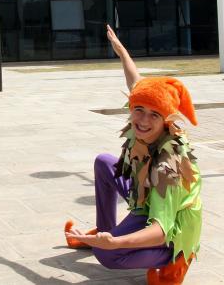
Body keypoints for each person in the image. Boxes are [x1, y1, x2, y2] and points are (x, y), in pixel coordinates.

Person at [64, 25, 202, 285]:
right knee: (104, 163)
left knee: (107, 254)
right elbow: (136, 83)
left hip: (171, 228)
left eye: (154, 115)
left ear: (166, 120)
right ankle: (104, 233)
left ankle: (170, 260)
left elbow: (161, 230)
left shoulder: (168, 167)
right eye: (138, 110)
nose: (143, 120)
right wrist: (121, 51)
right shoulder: (145, 117)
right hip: (145, 198)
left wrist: (115, 243)